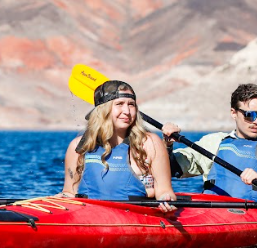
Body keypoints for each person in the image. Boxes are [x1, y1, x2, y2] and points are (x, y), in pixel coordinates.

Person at [58, 79, 177, 211]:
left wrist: (166, 199)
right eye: (119, 104)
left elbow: (165, 191)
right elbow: (69, 192)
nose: (127, 111)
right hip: (88, 217)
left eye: (131, 104)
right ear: (103, 110)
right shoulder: (78, 146)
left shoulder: (150, 143)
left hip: (134, 218)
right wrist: (60, 199)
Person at [162, 83, 257, 202]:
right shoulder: (213, 142)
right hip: (211, 212)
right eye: (249, 115)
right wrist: (167, 145)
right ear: (233, 113)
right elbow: (171, 168)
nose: (256, 121)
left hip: (254, 214)